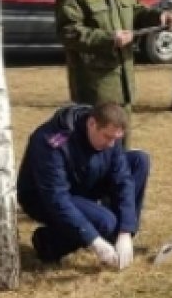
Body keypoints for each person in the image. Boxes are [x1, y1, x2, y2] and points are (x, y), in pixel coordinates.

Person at [17, 102, 150, 269]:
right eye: (108, 137)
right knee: (105, 221)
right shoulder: (51, 141)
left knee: (139, 160)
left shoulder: (109, 134)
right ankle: (49, 244)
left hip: (83, 180)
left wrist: (126, 231)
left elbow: (122, 180)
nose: (111, 144)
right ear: (92, 124)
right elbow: (56, 198)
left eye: (116, 139)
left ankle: (116, 239)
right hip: (44, 197)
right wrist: (93, 240)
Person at [55, 0, 172, 111]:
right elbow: (68, 31)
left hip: (124, 85)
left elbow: (135, 11)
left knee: (123, 138)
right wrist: (109, 38)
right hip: (95, 89)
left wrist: (159, 17)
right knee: (101, 138)